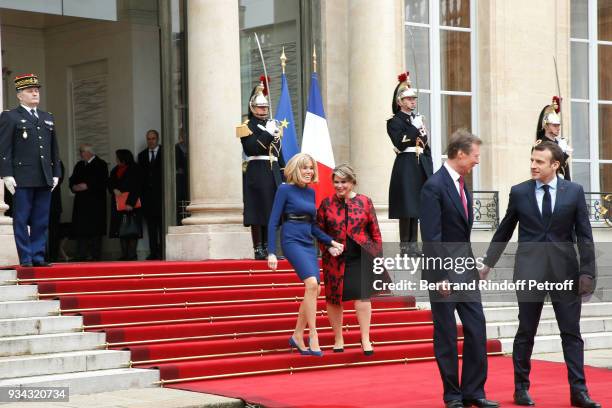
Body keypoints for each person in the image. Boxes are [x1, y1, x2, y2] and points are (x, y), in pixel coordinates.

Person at [480, 141, 599, 408]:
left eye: (539, 162)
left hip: (565, 271)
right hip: (529, 270)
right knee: (526, 331)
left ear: (555, 165)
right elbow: (505, 229)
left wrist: (588, 272)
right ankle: (521, 388)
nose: (533, 165)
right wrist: (488, 262)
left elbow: (585, 236)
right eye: (532, 160)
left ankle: (579, 392)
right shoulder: (520, 192)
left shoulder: (574, 192)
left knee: (571, 333)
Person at [420, 129, 498, 408]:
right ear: (461, 153)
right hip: (442, 272)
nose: (477, 161)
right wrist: (439, 274)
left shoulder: (462, 184)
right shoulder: (434, 186)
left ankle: (474, 392)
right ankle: (452, 395)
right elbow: (431, 235)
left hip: (465, 269)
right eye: (475, 156)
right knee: (447, 336)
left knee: (477, 329)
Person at [267, 153, 343, 356]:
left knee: (315, 289)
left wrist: (330, 241)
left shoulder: (310, 193)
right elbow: (274, 221)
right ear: (295, 169)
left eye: (311, 168)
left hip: (308, 242)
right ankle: (313, 334)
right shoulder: (284, 189)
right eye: (304, 168)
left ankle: (297, 335)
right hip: (291, 240)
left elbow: (313, 226)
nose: (309, 171)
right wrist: (271, 252)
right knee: (311, 284)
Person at [316, 164, 383, 355]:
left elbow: (375, 232)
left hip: (360, 256)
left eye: (343, 182)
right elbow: (318, 231)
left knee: (363, 297)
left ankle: (365, 338)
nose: (339, 186)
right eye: (336, 182)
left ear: (352, 182)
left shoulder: (365, 202)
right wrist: (327, 247)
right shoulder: (326, 204)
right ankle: (338, 337)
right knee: (335, 299)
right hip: (335, 258)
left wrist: (378, 256)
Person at [0, 74, 60, 267]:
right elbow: (4, 148)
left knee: (41, 219)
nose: (35, 93)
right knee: (22, 218)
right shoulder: (10, 116)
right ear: (19, 95)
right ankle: (26, 258)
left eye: (36, 90)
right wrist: (6, 174)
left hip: (44, 175)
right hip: (22, 177)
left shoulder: (46, 117)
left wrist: (56, 172)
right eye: (30, 91)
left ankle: (38, 256)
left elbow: (53, 148)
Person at [237, 76, 283, 260]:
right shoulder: (246, 126)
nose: (263, 110)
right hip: (256, 169)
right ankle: (258, 248)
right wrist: (267, 133)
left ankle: (270, 247)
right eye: (260, 107)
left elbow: (279, 152)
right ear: (252, 107)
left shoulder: (272, 124)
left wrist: (284, 171)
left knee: (272, 209)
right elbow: (252, 148)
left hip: (272, 170)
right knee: (258, 209)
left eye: (265, 107)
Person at [387, 72, 433, 255]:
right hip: (406, 163)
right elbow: (399, 141)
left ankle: (414, 245)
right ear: (400, 102)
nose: (413, 101)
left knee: (417, 207)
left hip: (419, 162)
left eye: (413, 98)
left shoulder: (417, 119)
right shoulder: (394, 121)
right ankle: (406, 247)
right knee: (407, 207)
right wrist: (414, 127)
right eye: (408, 99)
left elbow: (425, 144)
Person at [69, 144, 108, 261]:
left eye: (82, 152)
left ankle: (95, 255)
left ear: (89, 152)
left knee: (95, 231)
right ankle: (81, 255)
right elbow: (72, 180)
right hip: (81, 203)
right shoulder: (79, 165)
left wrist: (88, 186)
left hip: (95, 203)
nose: (81, 154)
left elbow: (103, 182)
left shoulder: (101, 164)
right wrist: (74, 187)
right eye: (81, 152)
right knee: (81, 230)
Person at [108, 149, 143, 261]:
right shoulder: (115, 170)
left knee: (132, 230)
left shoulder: (135, 168)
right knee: (121, 230)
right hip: (118, 205)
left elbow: (137, 187)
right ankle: (124, 255)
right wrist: (114, 189)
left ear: (124, 158)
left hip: (131, 205)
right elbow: (110, 183)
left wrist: (130, 203)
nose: (116, 159)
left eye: (118, 157)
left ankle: (132, 255)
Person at [137, 129, 163, 260]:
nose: (150, 141)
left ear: (157, 139)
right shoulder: (141, 156)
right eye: (148, 139)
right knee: (151, 228)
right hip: (148, 199)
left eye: (153, 138)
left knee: (162, 226)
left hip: (162, 198)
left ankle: (163, 251)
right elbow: (140, 178)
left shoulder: (165, 152)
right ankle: (153, 252)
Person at [536, 96, 571, 180]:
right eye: (554, 125)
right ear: (546, 126)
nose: (558, 128)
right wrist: (562, 153)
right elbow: (548, 166)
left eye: (558, 125)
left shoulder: (560, 143)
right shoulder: (541, 144)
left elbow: (565, 170)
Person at [47, 160, 64, 262]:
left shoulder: (57, 162)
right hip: (39, 203)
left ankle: (54, 255)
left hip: (54, 204)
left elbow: (59, 179)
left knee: (54, 231)